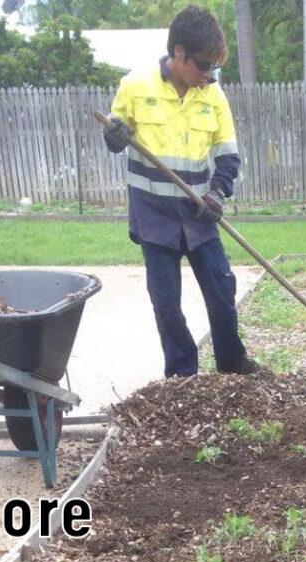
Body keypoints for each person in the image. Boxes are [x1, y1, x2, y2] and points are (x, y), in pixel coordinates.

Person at [102, 5, 258, 378]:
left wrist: (218, 194)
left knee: (222, 291)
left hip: (198, 213)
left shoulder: (213, 96)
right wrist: (113, 134)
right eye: (203, 66)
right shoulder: (136, 86)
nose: (208, 75)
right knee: (167, 303)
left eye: (213, 69)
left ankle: (232, 366)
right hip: (154, 217)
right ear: (179, 54)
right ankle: (182, 374)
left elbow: (228, 156)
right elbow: (113, 137)